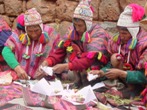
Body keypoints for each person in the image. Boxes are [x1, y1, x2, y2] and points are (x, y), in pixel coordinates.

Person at [39, 0, 111, 88]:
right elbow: (60, 52)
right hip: (78, 67)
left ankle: (92, 83)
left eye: (80, 25)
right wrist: (48, 61)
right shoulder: (72, 31)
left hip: (97, 69)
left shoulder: (98, 33)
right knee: (70, 48)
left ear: (87, 24)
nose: (77, 28)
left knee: (89, 57)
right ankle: (78, 81)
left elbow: (89, 60)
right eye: (75, 25)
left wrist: (67, 66)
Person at [89, 3, 147, 98]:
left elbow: (144, 76)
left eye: (124, 33)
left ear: (133, 32)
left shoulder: (143, 44)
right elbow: (110, 65)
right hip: (123, 79)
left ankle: (132, 91)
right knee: (114, 57)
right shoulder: (117, 42)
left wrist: (122, 73)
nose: (121, 36)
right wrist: (102, 72)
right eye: (119, 32)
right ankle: (120, 88)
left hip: (139, 83)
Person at [2, 8, 58, 79]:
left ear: (41, 26)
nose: (34, 34)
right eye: (30, 31)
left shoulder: (50, 34)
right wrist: (17, 67)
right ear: (25, 29)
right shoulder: (19, 34)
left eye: (36, 30)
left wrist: (48, 62)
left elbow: (58, 52)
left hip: (43, 79)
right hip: (21, 78)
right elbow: (6, 51)